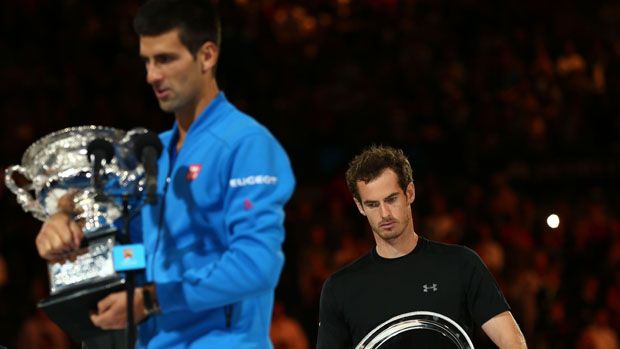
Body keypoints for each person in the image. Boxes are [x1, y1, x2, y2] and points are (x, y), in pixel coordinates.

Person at [34, 0, 296, 348]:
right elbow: (97, 215)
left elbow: (256, 264)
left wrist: (151, 300)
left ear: (207, 56)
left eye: (166, 59)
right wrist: (61, 219)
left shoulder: (246, 145)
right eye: (147, 61)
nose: (152, 76)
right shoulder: (150, 152)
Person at [316, 145, 526, 348]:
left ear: (410, 193)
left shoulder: (460, 264)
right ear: (359, 206)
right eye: (373, 204)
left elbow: (511, 341)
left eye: (391, 199)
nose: (384, 214)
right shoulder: (340, 288)